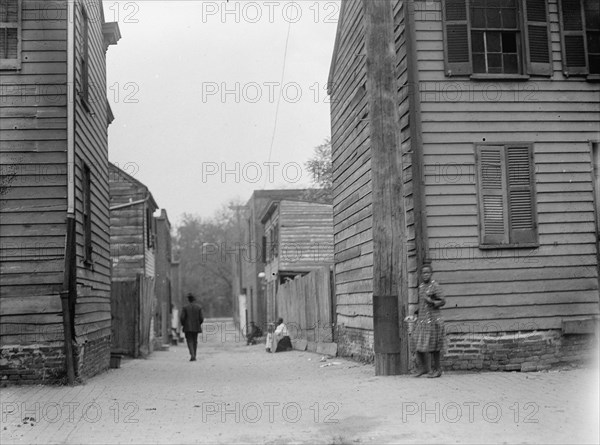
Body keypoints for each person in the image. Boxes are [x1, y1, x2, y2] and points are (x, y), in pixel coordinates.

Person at [413, 264, 446, 378]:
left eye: (428, 272)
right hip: (422, 320)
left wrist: (431, 301)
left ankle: (437, 369)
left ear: (431, 273)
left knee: (434, 346)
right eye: (423, 273)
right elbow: (422, 303)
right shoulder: (421, 287)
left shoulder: (435, 286)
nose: (425, 275)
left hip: (433, 320)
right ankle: (422, 368)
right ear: (421, 274)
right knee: (418, 343)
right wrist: (416, 312)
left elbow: (442, 301)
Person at [180, 293, 204, 361]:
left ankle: (192, 355)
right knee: (195, 341)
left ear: (188, 300)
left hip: (187, 327)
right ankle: (194, 355)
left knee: (189, 341)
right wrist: (198, 323)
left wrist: (183, 324)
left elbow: (182, 318)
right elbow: (201, 318)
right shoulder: (199, 307)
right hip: (196, 326)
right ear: (194, 300)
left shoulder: (185, 307)